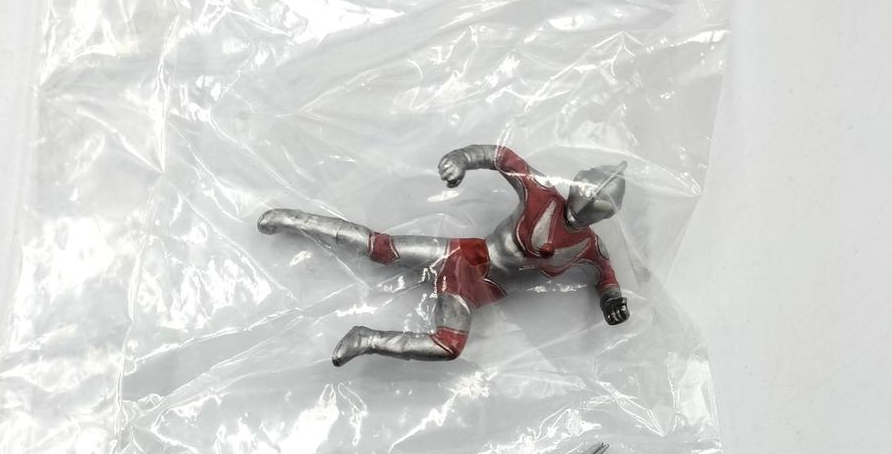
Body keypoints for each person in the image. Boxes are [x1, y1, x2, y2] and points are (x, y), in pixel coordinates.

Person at [258, 144, 629, 366]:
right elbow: (501, 156)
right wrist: (462, 158)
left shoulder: (588, 246)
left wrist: (611, 298)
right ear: (577, 185)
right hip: (462, 257)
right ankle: (293, 220)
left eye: (594, 210)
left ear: (605, 216)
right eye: (585, 199)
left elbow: (606, 275)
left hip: (474, 293)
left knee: (448, 347)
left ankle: (367, 339)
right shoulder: (541, 193)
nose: (582, 213)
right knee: (380, 247)